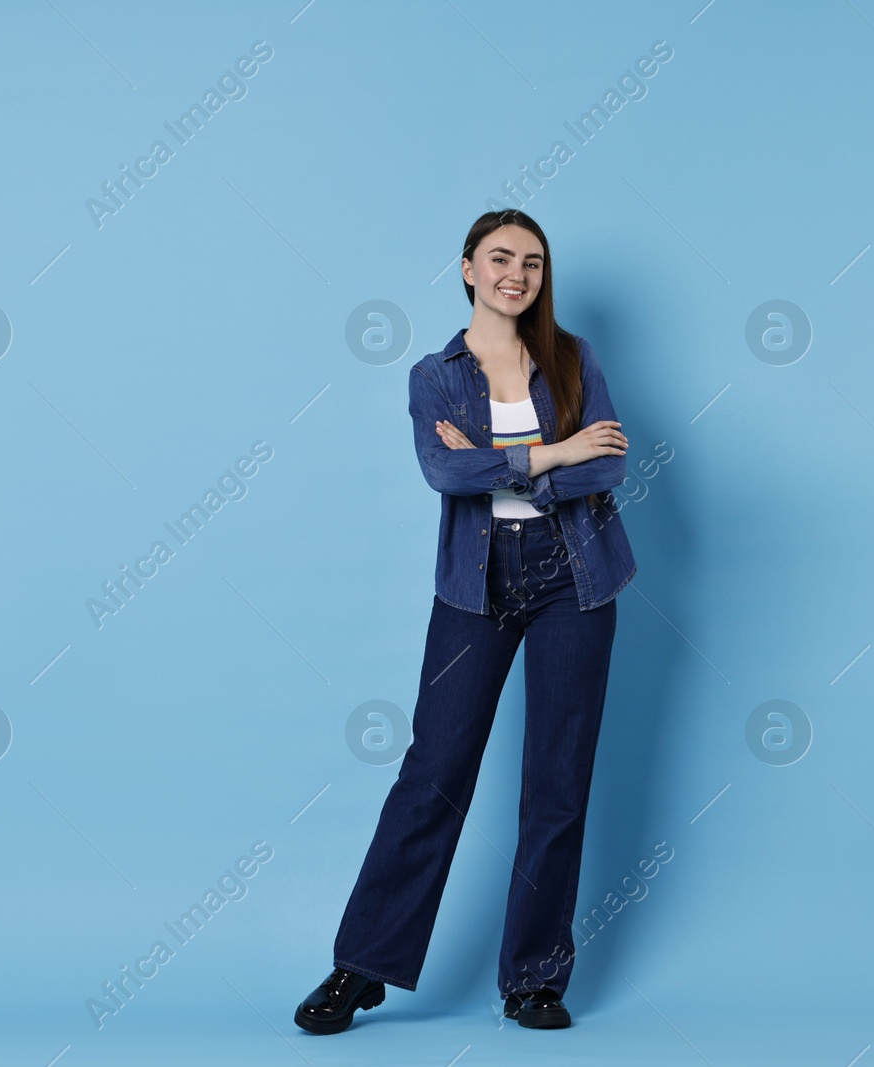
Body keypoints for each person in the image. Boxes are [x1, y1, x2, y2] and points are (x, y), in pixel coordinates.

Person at [295, 209, 637, 1035]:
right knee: (433, 771)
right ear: (467, 269)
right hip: (476, 584)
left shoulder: (573, 358)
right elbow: (443, 470)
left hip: (576, 576)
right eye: (500, 259)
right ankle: (361, 967)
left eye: (531, 261)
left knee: (558, 780)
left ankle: (534, 980)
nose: (516, 273)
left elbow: (615, 459)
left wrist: (511, 468)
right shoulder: (436, 373)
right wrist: (556, 454)